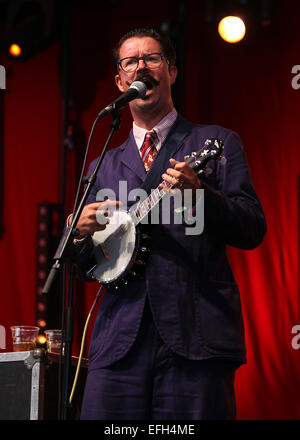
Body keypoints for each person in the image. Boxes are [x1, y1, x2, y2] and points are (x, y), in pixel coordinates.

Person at [70, 27, 266, 420]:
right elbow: (82, 267)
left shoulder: (216, 142)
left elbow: (252, 227)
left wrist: (200, 195)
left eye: (152, 58)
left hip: (196, 336)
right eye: (131, 61)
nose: (141, 66)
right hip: (118, 343)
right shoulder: (101, 165)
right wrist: (79, 234)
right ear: (120, 80)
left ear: (171, 72)